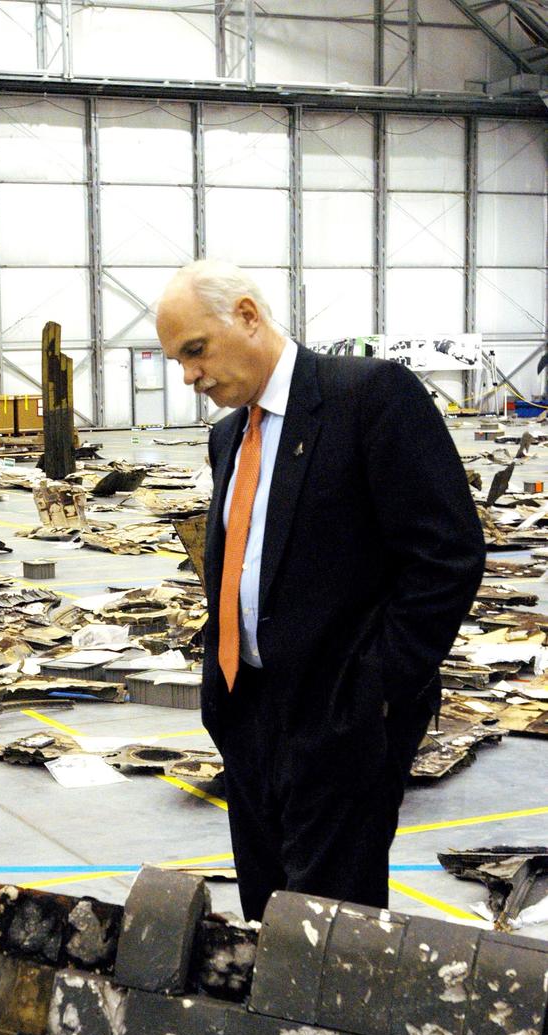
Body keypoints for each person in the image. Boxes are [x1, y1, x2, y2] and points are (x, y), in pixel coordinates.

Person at [156, 261, 485, 921]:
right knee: (264, 903)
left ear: (247, 316)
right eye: (176, 360)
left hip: (339, 711)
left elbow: (445, 554)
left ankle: (332, 1027)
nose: (188, 375)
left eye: (195, 351)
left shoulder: (368, 397)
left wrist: (374, 691)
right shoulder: (229, 438)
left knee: (327, 922)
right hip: (245, 710)